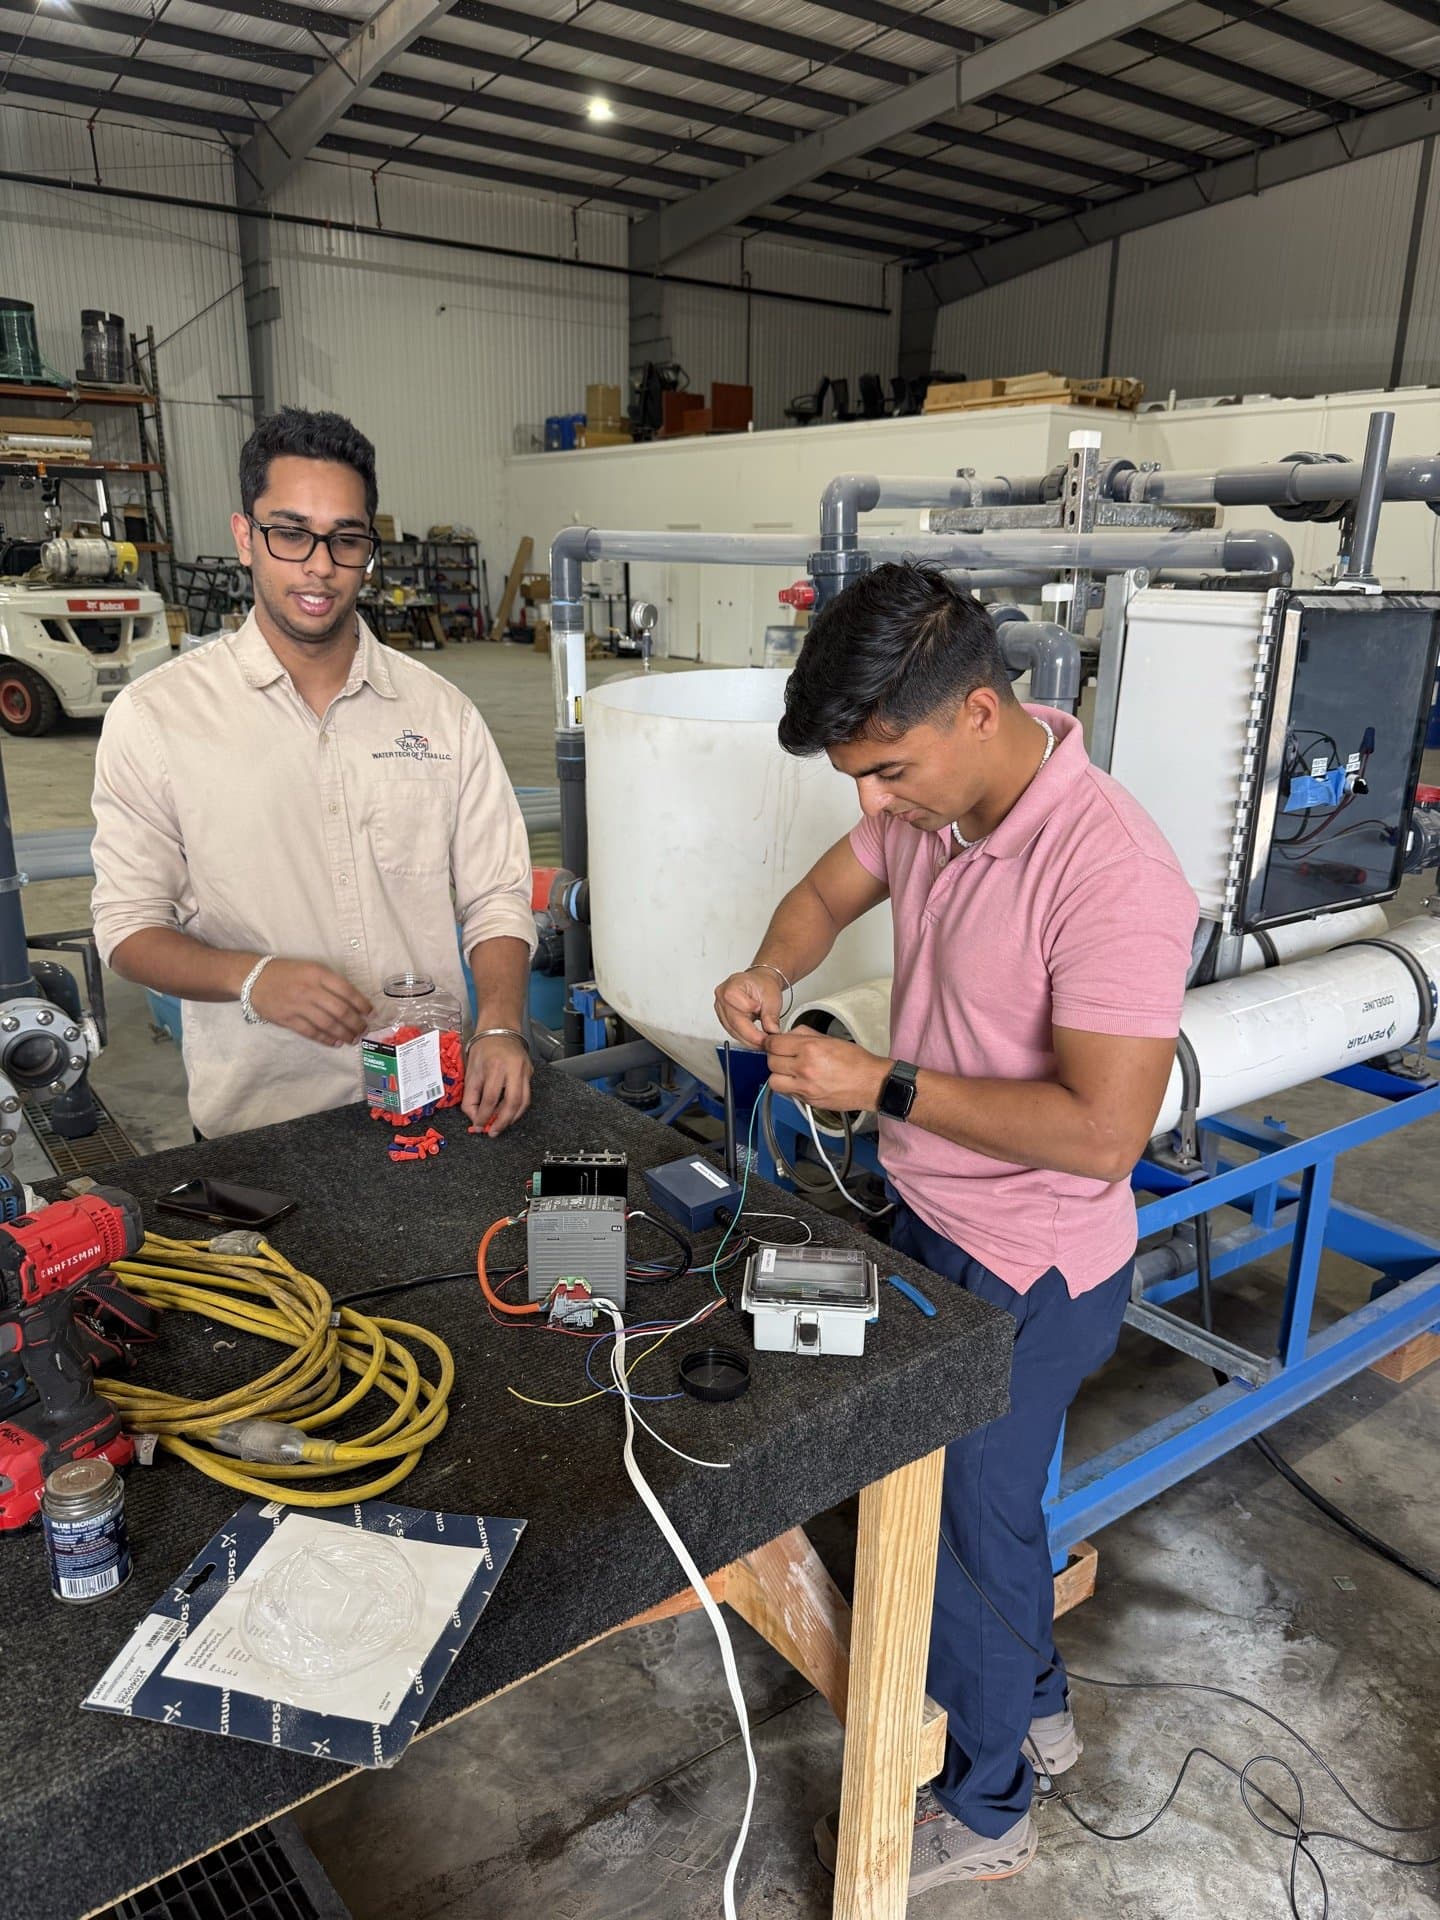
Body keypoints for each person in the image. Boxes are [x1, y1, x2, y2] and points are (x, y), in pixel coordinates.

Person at [714, 564, 1197, 1894]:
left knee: (962, 1555)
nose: (871, 804)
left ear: (980, 711)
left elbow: (1106, 1133)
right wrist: (773, 965)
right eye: (855, 778)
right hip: (932, 1217)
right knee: (988, 1523)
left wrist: (885, 1085)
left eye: (885, 770)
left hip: (1032, 1264)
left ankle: (987, 1814)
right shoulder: (928, 809)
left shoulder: (1109, 871)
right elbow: (821, 894)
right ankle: (1033, 1715)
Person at [91, 406, 535, 1141]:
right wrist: (253, 978)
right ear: (245, 538)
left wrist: (499, 1026)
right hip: (267, 1121)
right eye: (291, 533)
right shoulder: (157, 720)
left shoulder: (441, 713)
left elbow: (496, 896)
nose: (320, 566)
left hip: (438, 1099)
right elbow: (129, 928)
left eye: (346, 539)